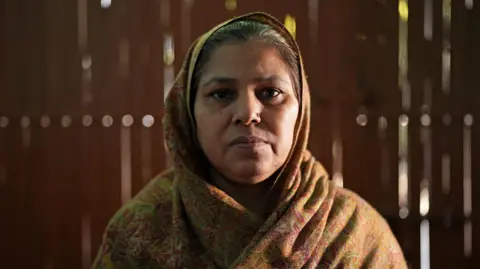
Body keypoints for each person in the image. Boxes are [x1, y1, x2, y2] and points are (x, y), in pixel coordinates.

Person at [92, 12, 407, 268]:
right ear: (189, 114)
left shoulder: (354, 233)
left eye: (270, 93)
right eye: (222, 94)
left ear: (301, 109)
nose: (247, 113)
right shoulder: (140, 232)